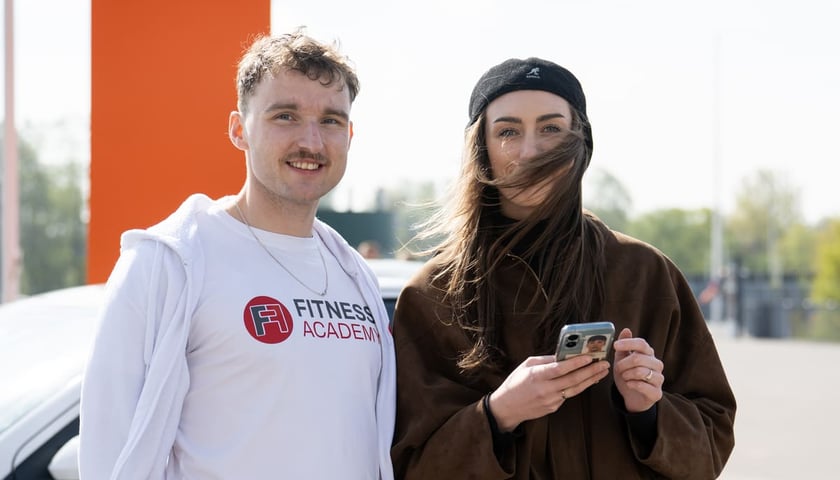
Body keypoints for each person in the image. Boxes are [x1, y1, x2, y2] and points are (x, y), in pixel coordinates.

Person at [390, 57, 736, 479]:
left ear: (581, 144)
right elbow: (412, 465)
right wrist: (498, 414)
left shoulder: (645, 274)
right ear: (481, 148)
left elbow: (713, 437)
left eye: (551, 128)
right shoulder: (434, 295)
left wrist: (648, 412)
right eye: (508, 131)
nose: (530, 150)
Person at [79, 29, 395, 480]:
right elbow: (109, 450)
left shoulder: (355, 275)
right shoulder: (170, 262)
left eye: (330, 120)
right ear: (238, 130)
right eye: (285, 116)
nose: (311, 141)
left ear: (349, 134)